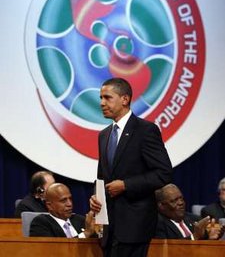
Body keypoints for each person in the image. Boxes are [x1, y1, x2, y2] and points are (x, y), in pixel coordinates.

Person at [90, 77, 172, 257]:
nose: (102, 103)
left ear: (125, 99)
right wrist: (96, 196)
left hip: (135, 225)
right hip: (109, 227)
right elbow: (102, 176)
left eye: (107, 97)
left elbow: (163, 173)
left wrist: (126, 185)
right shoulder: (104, 135)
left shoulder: (146, 130)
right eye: (101, 98)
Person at [155, 183, 224, 240]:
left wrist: (210, 237)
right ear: (161, 205)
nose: (180, 203)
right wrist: (194, 237)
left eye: (181, 198)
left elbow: (203, 245)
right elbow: (166, 250)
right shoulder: (155, 224)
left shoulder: (194, 219)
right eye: (174, 201)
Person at [30, 183, 96, 238]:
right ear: (49, 205)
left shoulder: (80, 220)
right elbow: (52, 249)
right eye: (63, 200)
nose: (69, 204)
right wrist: (85, 234)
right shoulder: (41, 223)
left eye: (70, 199)